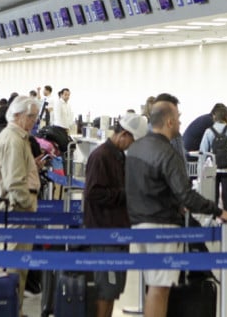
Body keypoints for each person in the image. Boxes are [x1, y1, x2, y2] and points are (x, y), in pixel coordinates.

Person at [125, 94, 227, 317]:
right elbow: (185, 195)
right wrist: (218, 210)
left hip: (138, 224)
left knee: (153, 285)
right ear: (169, 121)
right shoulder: (168, 152)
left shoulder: (136, 148)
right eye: (178, 118)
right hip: (162, 227)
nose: (181, 122)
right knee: (160, 288)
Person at [84, 112, 148, 317]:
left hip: (118, 230)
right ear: (124, 134)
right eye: (132, 141)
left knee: (113, 289)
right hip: (105, 233)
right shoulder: (101, 156)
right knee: (106, 288)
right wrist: (125, 194)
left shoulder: (118, 156)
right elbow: (93, 193)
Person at [0, 95, 41, 314]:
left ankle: (14, 309)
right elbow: (14, 181)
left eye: (35, 117)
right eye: (30, 116)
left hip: (14, 209)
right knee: (14, 266)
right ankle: (10, 310)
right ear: (17, 115)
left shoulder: (17, 137)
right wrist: (27, 203)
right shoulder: (12, 139)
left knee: (17, 266)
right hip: (16, 211)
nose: (33, 121)